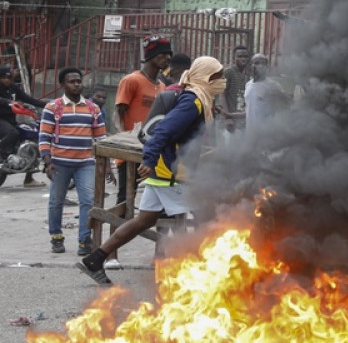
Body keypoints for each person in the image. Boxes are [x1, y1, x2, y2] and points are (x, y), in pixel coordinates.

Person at [78, 56, 225, 285]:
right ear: (206, 77)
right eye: (218, 76)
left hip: (163, 171)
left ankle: (96, 259)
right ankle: (195, 274)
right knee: (203, 217)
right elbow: (164, 130)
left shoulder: (197, 97)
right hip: (173, 173)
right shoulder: (194, 100)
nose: (222, 81)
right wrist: (149, 158)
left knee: (143, 220)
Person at [39, 68, 106, 256]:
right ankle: (56, 237)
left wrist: (106, 165)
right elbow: (44, 136)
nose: (77, 84)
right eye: (72, 81)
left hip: (85, 163)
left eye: (79, 81)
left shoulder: (93, 109)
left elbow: (101, 139)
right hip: (59, 163)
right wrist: (47, 161)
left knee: (87, 201)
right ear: (63, 85)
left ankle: (84, 240)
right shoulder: (53, 107)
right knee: (56, 201)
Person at [115, 35, 173, 204]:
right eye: (163, 55)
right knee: (125, 198)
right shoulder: (131, 80)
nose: (168, 58)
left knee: (156, 197)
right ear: (151, 56)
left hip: (152, 150)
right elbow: (118, 113)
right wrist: (124, 136)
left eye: (169, 55)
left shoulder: (162, 86)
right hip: (131, 150)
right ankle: (119, 230)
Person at [0, 64, 48, 187]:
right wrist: (9, 102)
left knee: (31, 138)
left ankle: (29, 179)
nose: (8, 80)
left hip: (11, 120)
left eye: (9, 77)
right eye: (5, 77)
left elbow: (28, 99)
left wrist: (48, 105)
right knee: (13, 133)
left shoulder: (13, 88)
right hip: (1, 119)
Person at [243, 54, 290, 131]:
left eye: (259, 63)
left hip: (265, 134)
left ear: (266, 67)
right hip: (250, 133)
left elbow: (288, 102)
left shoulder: (273, 85)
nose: (255, 66)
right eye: (254, 63)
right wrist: (229, 115)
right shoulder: (248, 85)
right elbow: (249, 110)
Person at [221, 45, 251, 131]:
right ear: (234, 58)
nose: (243, 59)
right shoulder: (229, 72)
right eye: (240, 56)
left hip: (243, 120)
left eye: (245, 56)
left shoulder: (248, 75)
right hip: (231, 121)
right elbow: (222, 94)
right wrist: (228, 118)